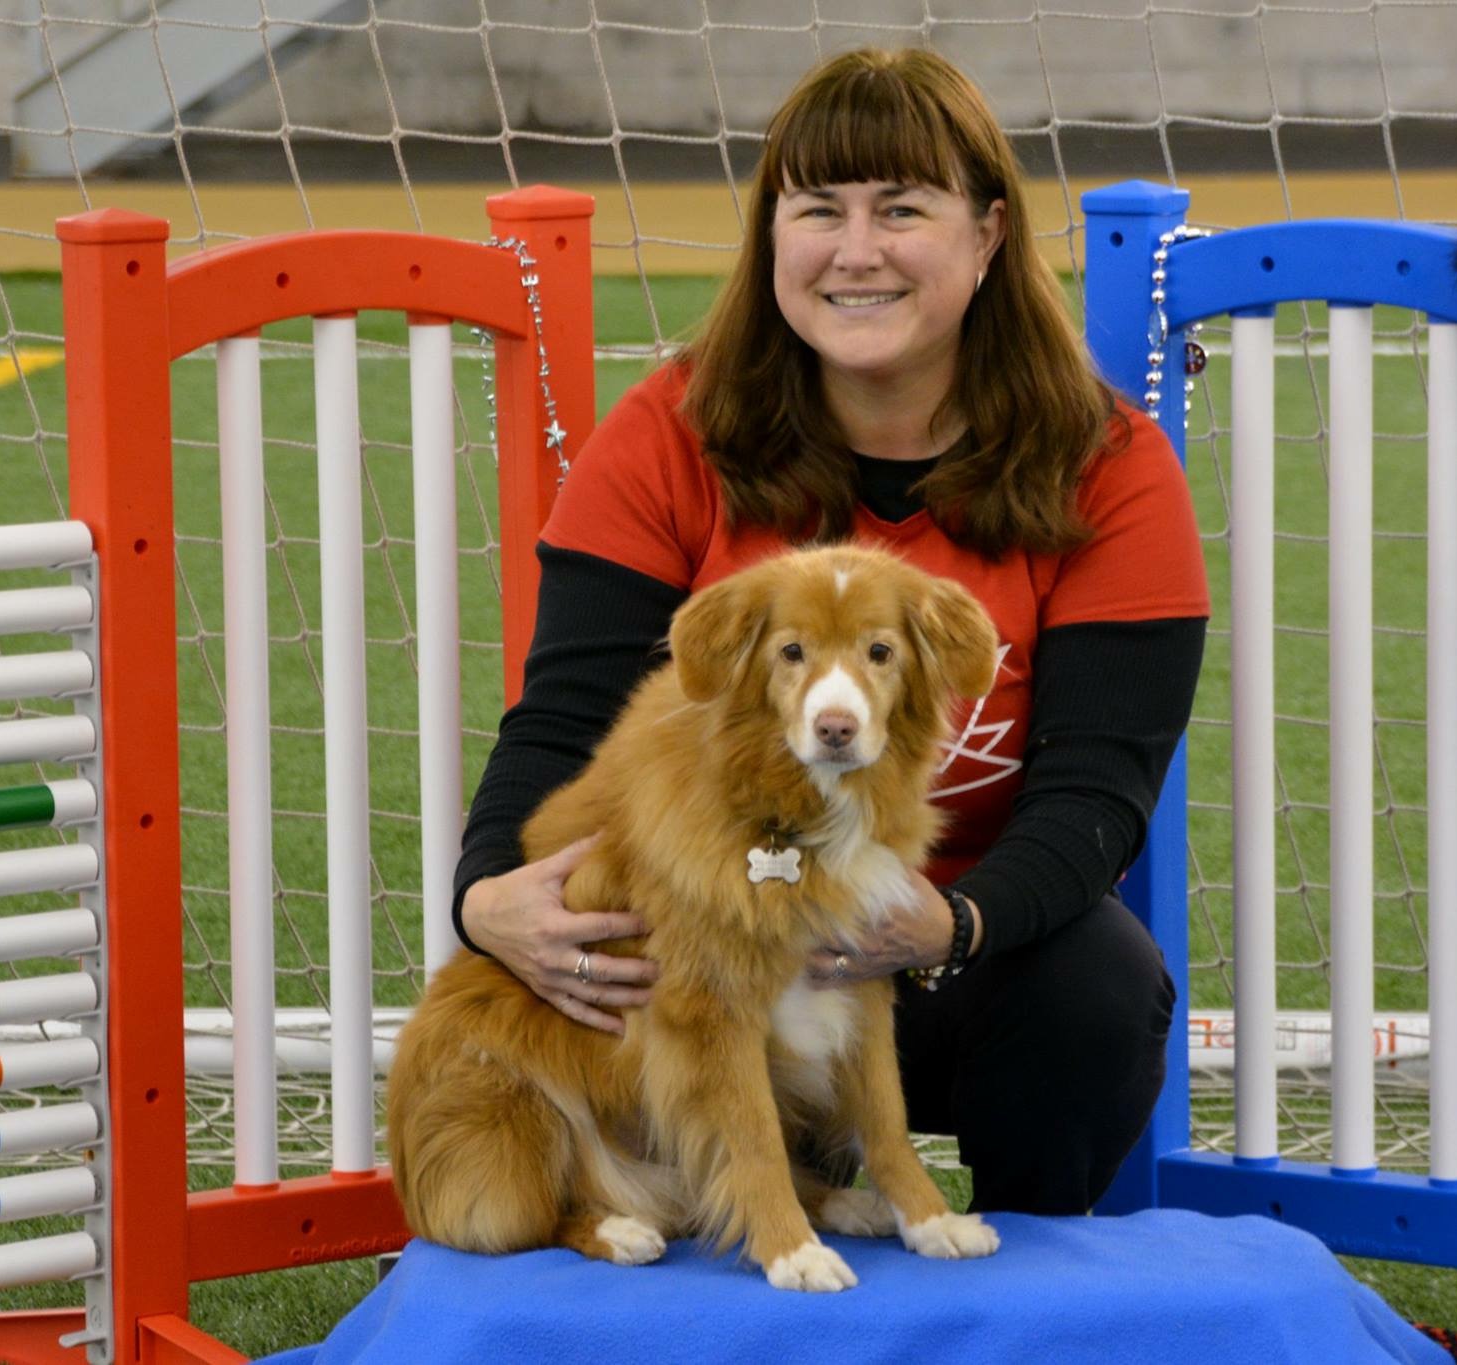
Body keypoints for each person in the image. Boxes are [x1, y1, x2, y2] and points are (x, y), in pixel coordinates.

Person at [451, 46, 1208, 1216]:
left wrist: (950, 923)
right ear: (771, 241)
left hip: (947, 949)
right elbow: (564, 720)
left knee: (1099, 990)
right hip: (715, 944)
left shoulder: (1106, 468)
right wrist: (487, 895)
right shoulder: (667, 432)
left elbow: (1097, 794)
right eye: (818, 211)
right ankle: (711, 1229)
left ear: (988, 234)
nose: (855, 252)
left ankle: (1011, 1294)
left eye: (900, 210)